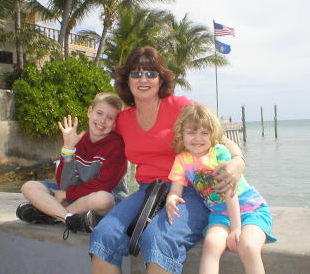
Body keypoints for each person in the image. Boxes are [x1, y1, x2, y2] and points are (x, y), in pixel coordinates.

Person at [89, 46, 246, 274]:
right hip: (147, 191)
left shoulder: (180, 106)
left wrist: (238, 162)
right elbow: (97, 139)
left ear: (161, 79)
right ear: (127, 79)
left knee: (158, 238)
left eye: (151, 73)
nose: (144, 79)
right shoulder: (123, 119)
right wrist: (68, 147)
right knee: (104, 234)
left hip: (191, 190)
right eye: (136, 73)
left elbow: (218, 137)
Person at [167, 103, 277, 274]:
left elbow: (230, 193)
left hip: (249, 208)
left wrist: (235, 228)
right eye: (191, 132)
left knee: (247, 246)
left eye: (204, 133)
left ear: (213, 134)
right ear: (181, 135)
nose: (198, 138)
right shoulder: (182, 159)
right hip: (219, 213)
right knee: (211, 244)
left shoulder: (219, 153)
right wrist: (172, 198)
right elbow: (176, 189)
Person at [16, 92, 128, 238]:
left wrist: (67, 194)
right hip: (73, 196)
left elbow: (104, 185)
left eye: (110, 118)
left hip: (99, 201)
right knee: (29, 186)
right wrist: (68, 148)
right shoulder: (77, 139)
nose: (102, 120)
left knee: (103, 199)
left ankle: (50, 214)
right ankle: (68, 219)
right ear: (89, 112)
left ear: (115, 123)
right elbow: (63, 183)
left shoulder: (117, 146)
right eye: (99, 113)